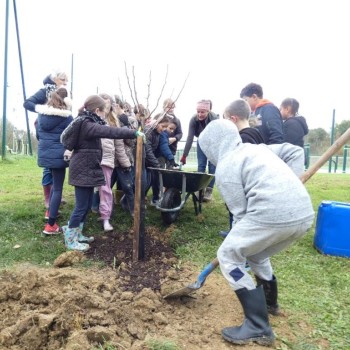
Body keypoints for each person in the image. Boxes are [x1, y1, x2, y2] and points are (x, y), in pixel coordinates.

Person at [198, 119, 314, 346]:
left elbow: (241, 216)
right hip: (303, 214)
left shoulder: (226, 168)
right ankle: (270, 303)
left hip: (272, 214)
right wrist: (292, 184)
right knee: (257, 253)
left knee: (228, 256)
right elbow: (294, 151)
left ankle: (258, 327)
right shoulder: (257, 149)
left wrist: (234, 246)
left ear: (212, 146)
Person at [63, 95, 144, 251]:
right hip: (82, 169)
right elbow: (109, 131)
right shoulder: (87, 124)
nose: (105, 114)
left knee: (86, 205)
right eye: (104, 110)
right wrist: (132, 133)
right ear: (97, 110)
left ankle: (78, 234)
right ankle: (70, 239)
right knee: (81, 206)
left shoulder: (87, 121)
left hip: (86, 168)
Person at [23, 69, 69, 214]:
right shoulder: (44, 91)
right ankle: (48, 198)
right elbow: (27, 103)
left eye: (67, 81)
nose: (66, 84)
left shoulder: (63, 94)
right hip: (46, 126)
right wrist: (44, 110)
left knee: (55, 161)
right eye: (64, 81)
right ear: (55, 80)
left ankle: (56, 195)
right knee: (49, 164)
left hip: (57, 127)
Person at [219, 99, 264, 237]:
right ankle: (235, 231)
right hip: (254, 181)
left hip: (245, 183)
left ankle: (237, 234)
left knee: (239, 208)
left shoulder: (242, 139)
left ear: (233, 119)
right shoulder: (256, 133)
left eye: (225, 119)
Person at [35, 87, 73, 234]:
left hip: (45, 154)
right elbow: (70, 137)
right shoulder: (67, 117)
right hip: (59, 155)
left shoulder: (41, 115)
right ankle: (51, 225)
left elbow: (39, 135)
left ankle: (50, 212)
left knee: (52, 184)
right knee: (57, 188)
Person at [180, 99, 218, 201]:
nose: (200, 114)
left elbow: (218, 135)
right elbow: (190, 137)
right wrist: (184, 155)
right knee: (201, 165)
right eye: (198, 112)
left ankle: (209, 191)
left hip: (213, 142)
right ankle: (199, 190)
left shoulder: (214, 119)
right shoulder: (193, 119)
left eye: (203, 112)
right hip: (201, 141)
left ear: (208, 111)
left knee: (212, 166)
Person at [144, 114, 172, 205]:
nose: (164, 129)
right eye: (163, 126)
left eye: (166, 127)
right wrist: (156, 164)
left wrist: (170, 158)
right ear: (156, 123)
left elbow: (163, 147)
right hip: (142, 160)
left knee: (155, 179)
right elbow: (147, 150)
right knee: (144, 182)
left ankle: (155, 199)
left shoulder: (158, 134)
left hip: (150, 161)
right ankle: (131, 200)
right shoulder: (148, 132)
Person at [280, 98, 309, 163]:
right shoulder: (298, 123)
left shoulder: (291, 124)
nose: (279, 112)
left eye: (281, 109)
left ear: (287, 109)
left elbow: (287, 144)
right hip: (298, 157)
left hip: (293, 158)